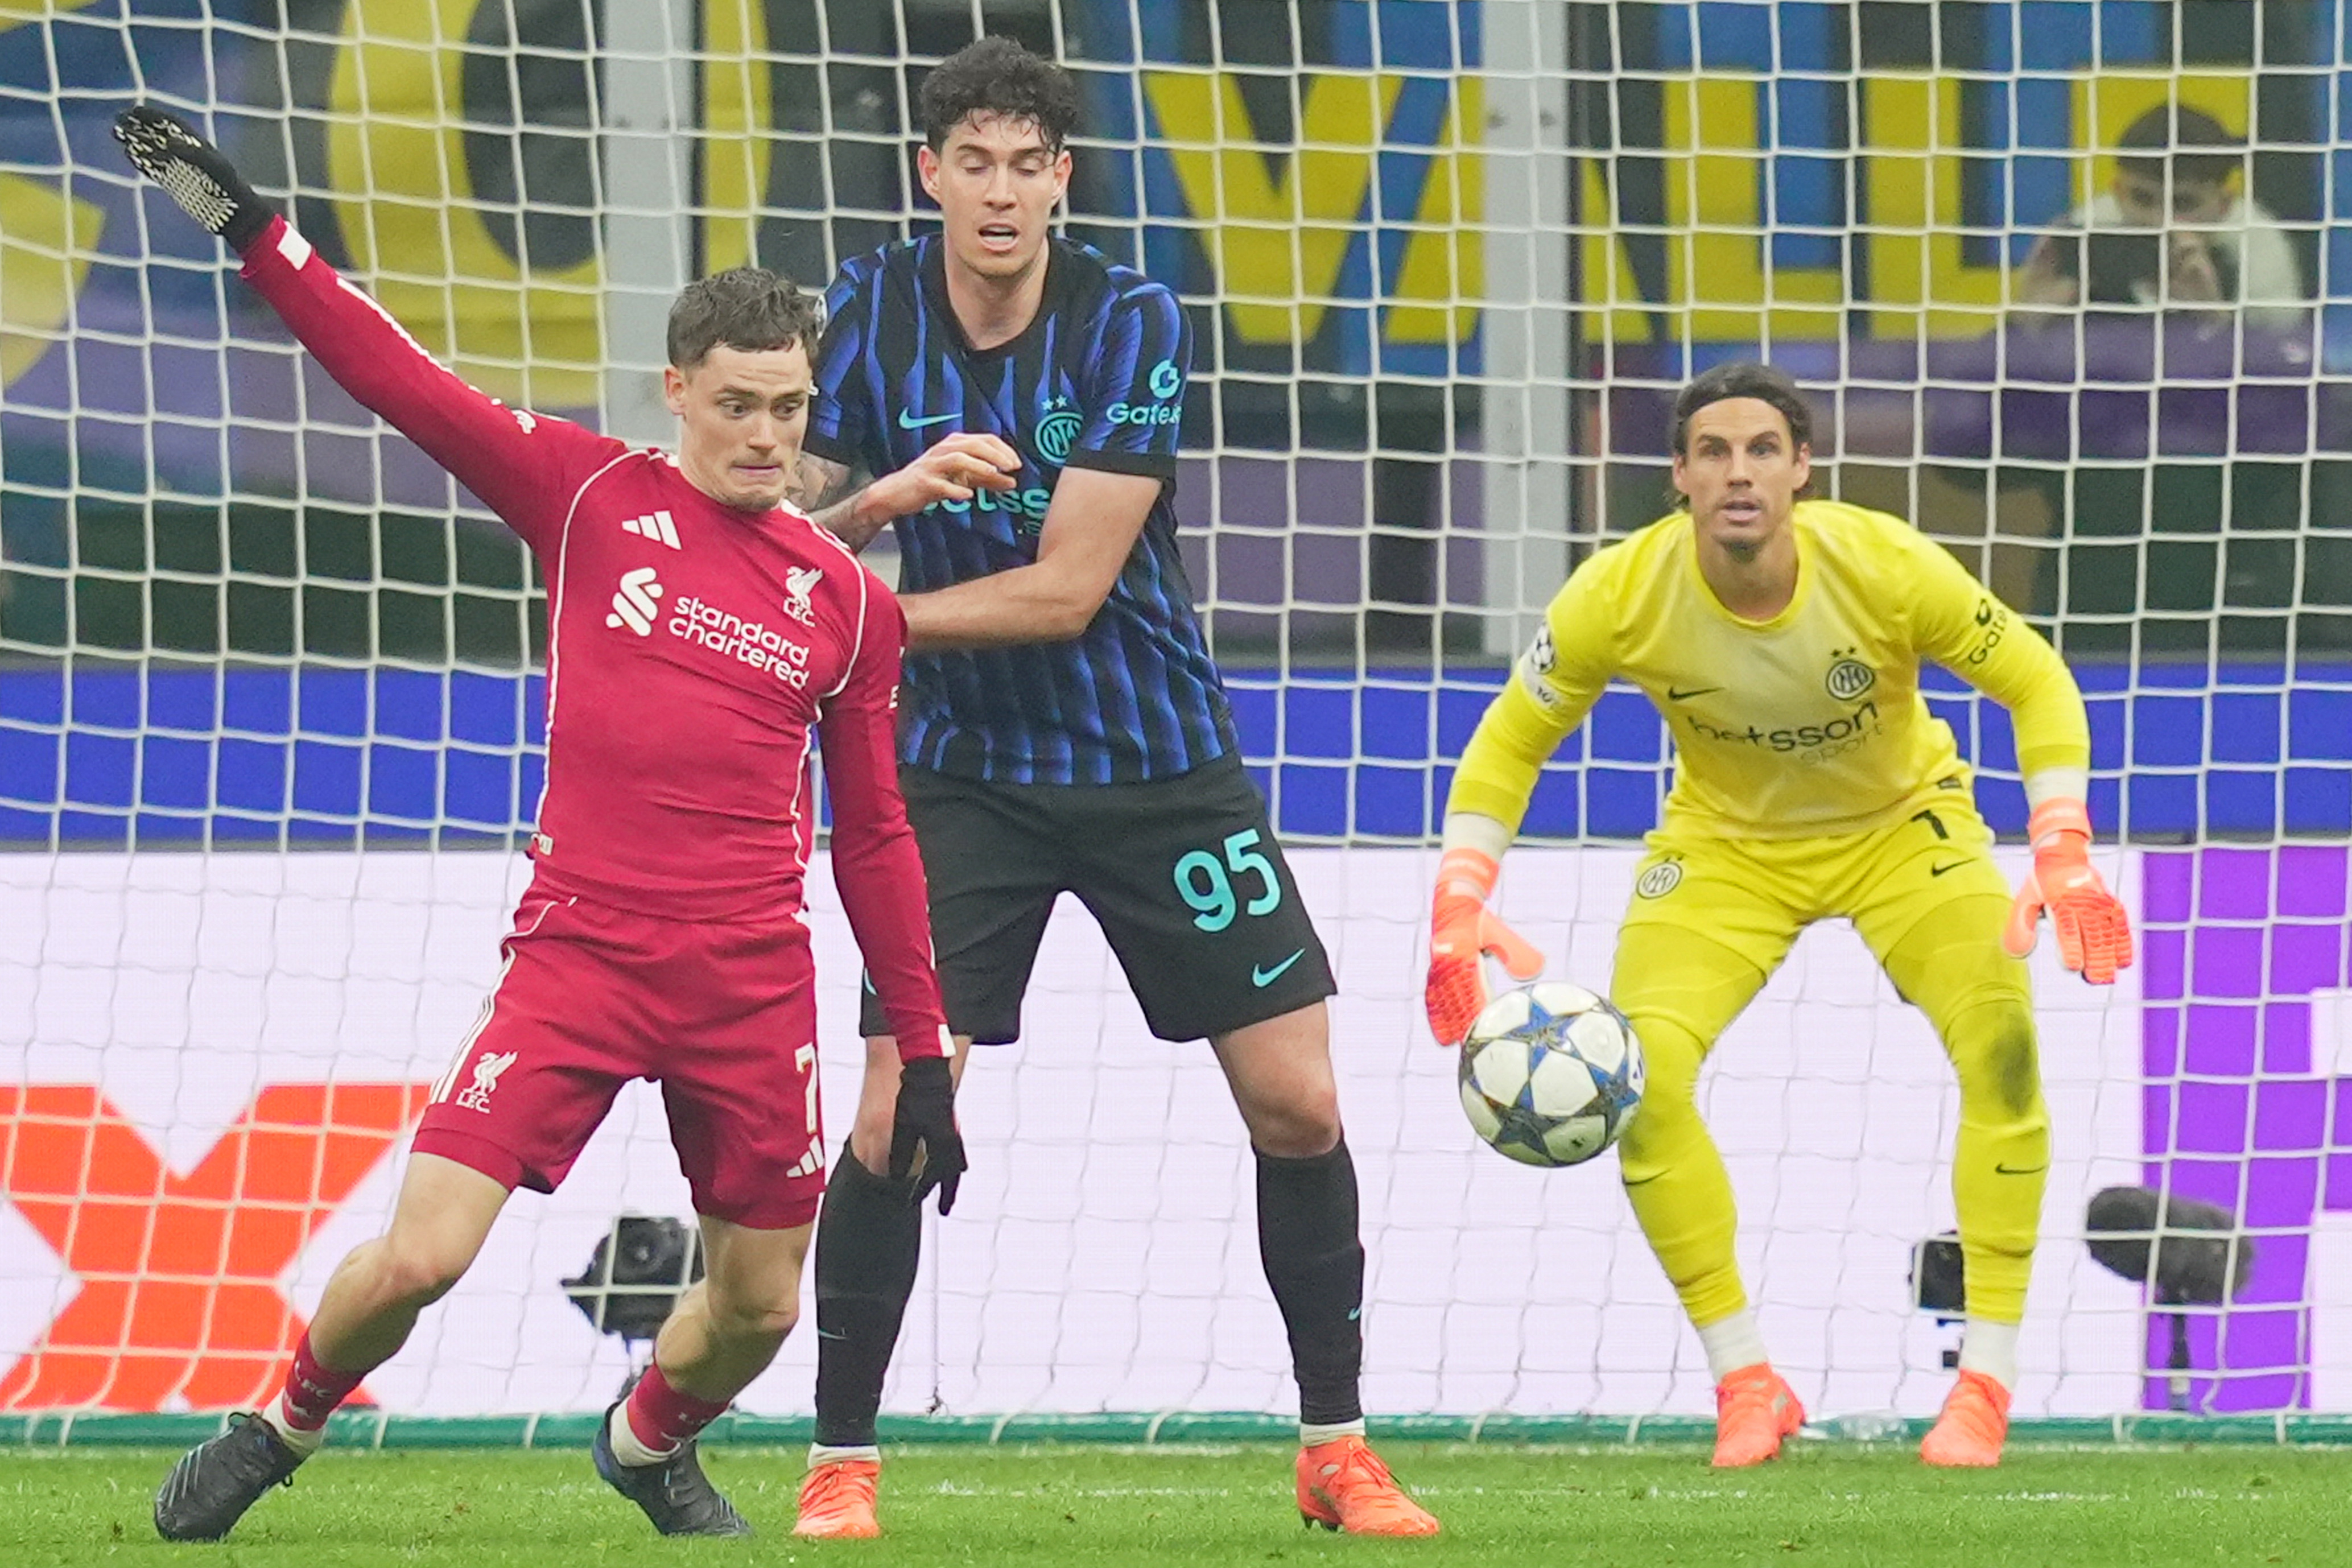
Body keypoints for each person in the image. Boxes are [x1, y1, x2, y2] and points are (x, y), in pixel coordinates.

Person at [113, 106, 964, 1542]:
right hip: (580, 953)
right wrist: (257, 234)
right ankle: (282, 1421)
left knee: (760, 1307)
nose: (767, 436)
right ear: (678, 391)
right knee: (419, 1258)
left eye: (790, 409)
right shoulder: (586, 496)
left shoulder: (846, 603)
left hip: (752, 977)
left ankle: (644, 1441)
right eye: (738, 405)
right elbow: (399, 380)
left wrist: (922, 1046)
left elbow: (875, 837)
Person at [782, 36, 1437, 1540]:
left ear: (1061, 180)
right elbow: (782, 527)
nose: (1000, 191)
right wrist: (865, 505)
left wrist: (861, 623)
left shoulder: (1128, 316)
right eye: (974, 161)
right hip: (959, 778)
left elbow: (1066, 589)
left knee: (1297, 1103)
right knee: (890, 1118)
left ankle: (1335, 1446)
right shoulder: (866, 308)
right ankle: (841, 1459)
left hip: (1156, 765)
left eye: (1028, 164)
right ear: (929, 174)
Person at [1425, 361, 2134, 1470]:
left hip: (1902, 827)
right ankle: (1745, 1379)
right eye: (1712, 452)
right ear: (1678, 476)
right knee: (1640, 1080)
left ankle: (1984, 1383)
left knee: (2002, 1045)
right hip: (1724, 851)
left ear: (1802, 468)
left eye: (1761, 449)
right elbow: (1509, 741)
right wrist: (1460, 894)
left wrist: (2062, 846)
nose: (1738, 473)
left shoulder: (1883, 564)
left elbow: (2036, 680)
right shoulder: (1616, 593)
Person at [2012, 102, 2305, 331]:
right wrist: (2025, 327)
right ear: (2119, 193)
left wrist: (2214, 320)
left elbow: (2282, 375)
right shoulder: (2088, 234)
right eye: (2142, 199)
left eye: (2183, 203)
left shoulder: (2259, 252)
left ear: (2223, 206)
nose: (2160, 222)